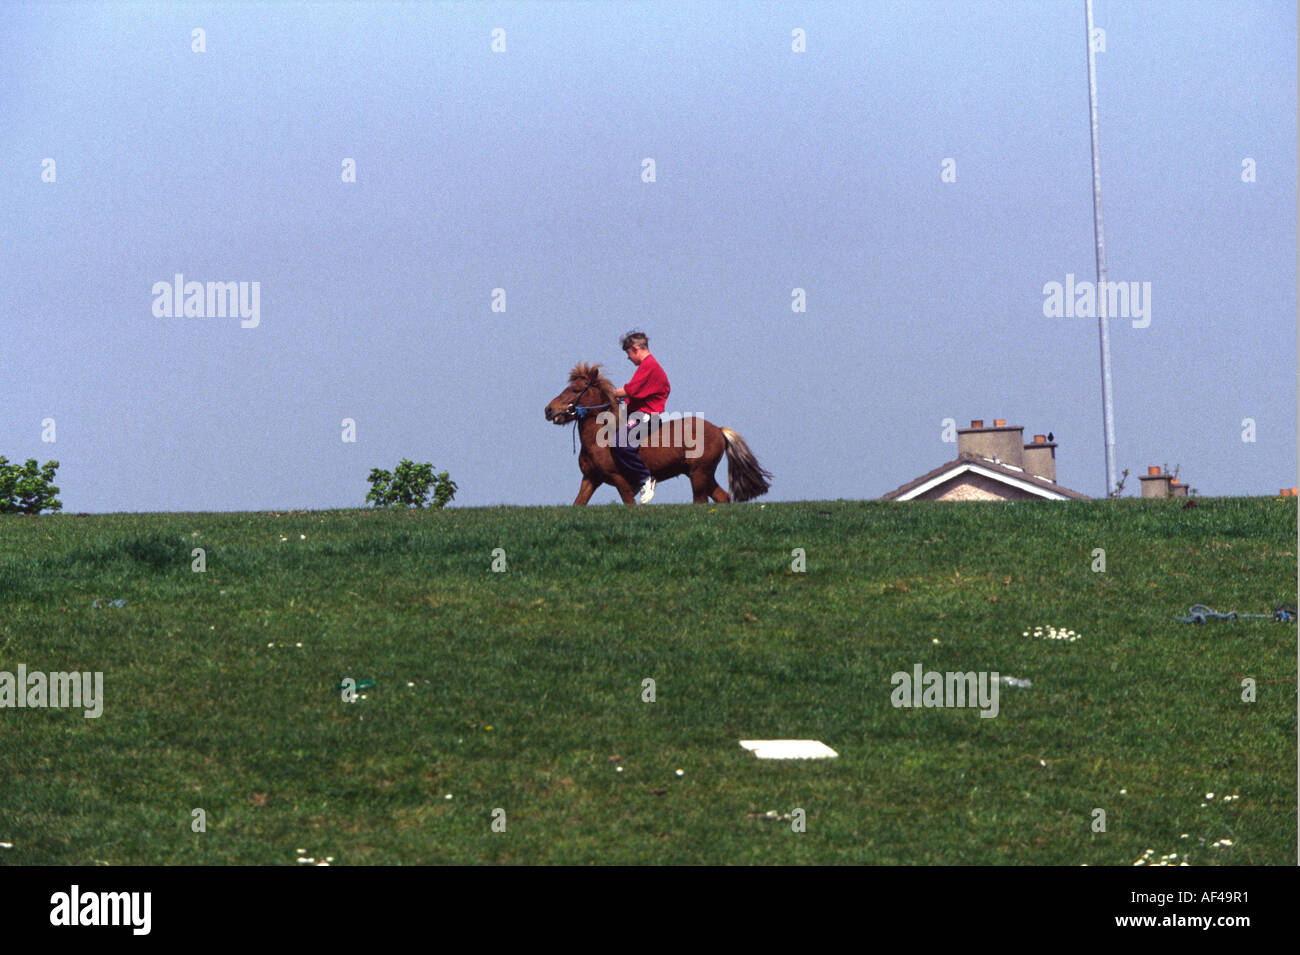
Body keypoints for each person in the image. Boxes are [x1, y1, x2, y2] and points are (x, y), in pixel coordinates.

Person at [610, 330, 669, 504]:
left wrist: (609, 394)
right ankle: (636, 480)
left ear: (635, 349)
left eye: (628, 353)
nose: (628, 358)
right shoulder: (647, 366)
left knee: (620, 444)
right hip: (638, 414)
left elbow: (630, 390)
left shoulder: (648, 366)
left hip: (647, 416)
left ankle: (645, 479)